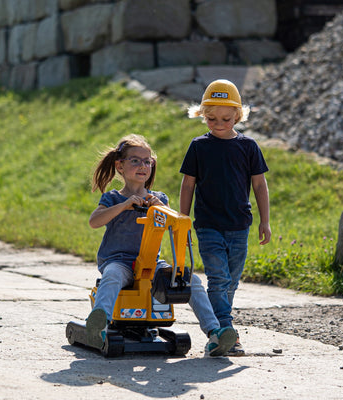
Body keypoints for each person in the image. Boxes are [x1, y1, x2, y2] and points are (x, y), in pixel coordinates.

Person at [86, 133, 237, 357]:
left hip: (152, 263)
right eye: (135, 160)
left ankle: (215, 333)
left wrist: (162, 210)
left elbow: (174, 223)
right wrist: (126, 205)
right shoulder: (113, 199)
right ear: (120, 165)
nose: (142, 166)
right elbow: (94, 221)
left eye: (147, 161)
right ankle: (101, 321)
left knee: (191, 280)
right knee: (112, 276)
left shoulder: (160, 199)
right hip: (119, 261)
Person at [179, 79, 271, 356]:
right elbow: (187, 185)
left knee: (231, 280)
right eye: (211, 118)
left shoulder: (248, 146)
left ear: (238, 116)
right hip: (208, 225)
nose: (218, 123)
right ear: (202, 114)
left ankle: (219, 335)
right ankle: (226, 328)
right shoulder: (199, 146)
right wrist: (182, 222)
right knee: (218, 279)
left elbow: (259, 185)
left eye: (226, 118)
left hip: (239, 225)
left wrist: (265, 221)